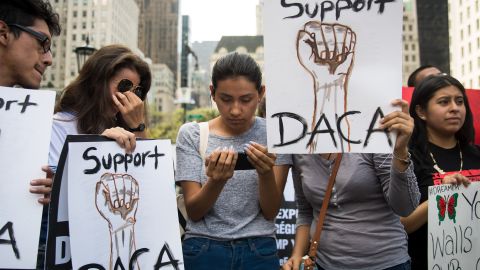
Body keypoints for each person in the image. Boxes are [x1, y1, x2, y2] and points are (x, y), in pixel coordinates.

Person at [175, 52, 290, 270]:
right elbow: (194, 211)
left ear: (261, 93)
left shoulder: (277, 133)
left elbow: (270, 210)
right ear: (212, 93)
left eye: (246, 100)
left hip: (259, 248)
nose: (236, 110)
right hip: (204, 249)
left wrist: (265, 173)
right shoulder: (192, 135)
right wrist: (216, 181)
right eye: (226, 99)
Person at [282, 99, 420, 270]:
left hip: (386, 264)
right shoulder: (299, 147)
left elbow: (405, 207)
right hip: (326, 265)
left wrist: (400, 151)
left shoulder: (373, 135)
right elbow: (305, 211)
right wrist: (296, 254)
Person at [0, 1, 61, 267]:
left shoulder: (28, 121)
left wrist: (43, 188)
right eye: (42, 43)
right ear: (3, 33)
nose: (48, 58)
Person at [402, 74, 478, 270]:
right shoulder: (407, 159)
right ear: (421, 111)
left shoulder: (476, 154)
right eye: (444, 102)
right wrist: (440, 195)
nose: (454, 108)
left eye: (459, 101)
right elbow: (402, 224)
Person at [49, 44, 151, 171]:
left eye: (137, 92)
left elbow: (145, 178)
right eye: (124, 86)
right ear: (97, 81)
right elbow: (59, 186)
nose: (129, 98)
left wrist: (138, 126)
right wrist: (99, 146)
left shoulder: (125, 127)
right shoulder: (57, 126)